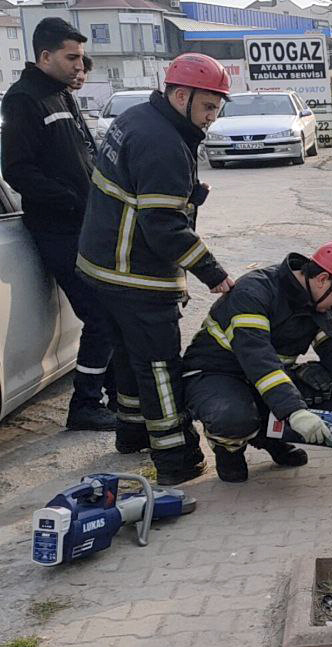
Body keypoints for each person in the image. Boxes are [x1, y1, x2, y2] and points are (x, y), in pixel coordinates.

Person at [76, 52, 233, 484]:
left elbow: (138, 189)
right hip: (136, 275)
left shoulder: (138, 118)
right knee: (161, 366)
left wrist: (188, 194)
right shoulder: (163, 142)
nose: (210, 119)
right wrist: (214, 273)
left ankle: (132, 432)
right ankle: (176, 457)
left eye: (217, 109)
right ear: (181, 95)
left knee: (128, 356)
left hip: (100, 265)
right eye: (207, 108)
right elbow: (163, 227)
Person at [182, 242, 332, 483]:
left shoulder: (321, 303)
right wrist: (294, 411)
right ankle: (229, 449)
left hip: (262, 379)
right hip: (215, 375)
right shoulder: (254, 292)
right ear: (322, 279)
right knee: (233, 417)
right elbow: (259, 360)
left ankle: (269, 438)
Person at [1, 19, 114, 430]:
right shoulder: (23, 100)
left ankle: (116, 397)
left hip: (86, 225)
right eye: (72, 57)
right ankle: (85, 406)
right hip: (57, 229)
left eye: (81, 57)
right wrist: (70, 200)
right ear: (45, 56)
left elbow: (82, 155)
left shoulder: (60, 95)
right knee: (99, 314)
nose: (79, 66)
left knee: (111, 311)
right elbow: (17, 170)